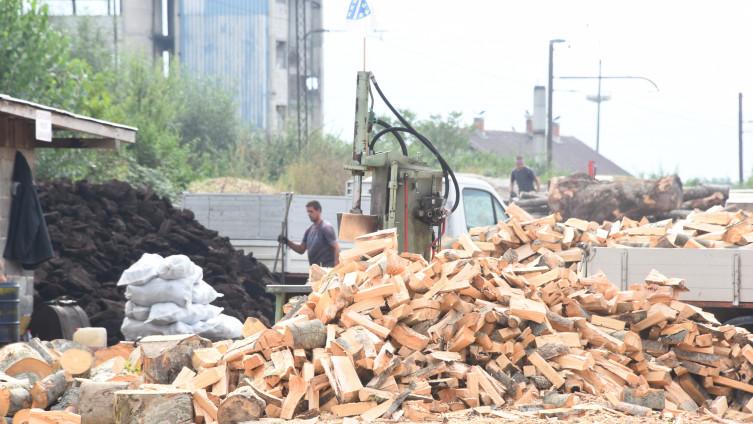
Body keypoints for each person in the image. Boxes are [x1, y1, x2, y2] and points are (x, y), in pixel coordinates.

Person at [278, 200, 340, 267]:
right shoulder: (309, 230)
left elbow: (336, 247)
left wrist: (336, 266)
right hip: (315, 269)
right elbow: (301, 249)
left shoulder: (325, 228)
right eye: (308, 212)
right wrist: (287, 242)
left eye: (311, 211)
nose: (309, 214)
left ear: (318, 211)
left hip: (327, 269)